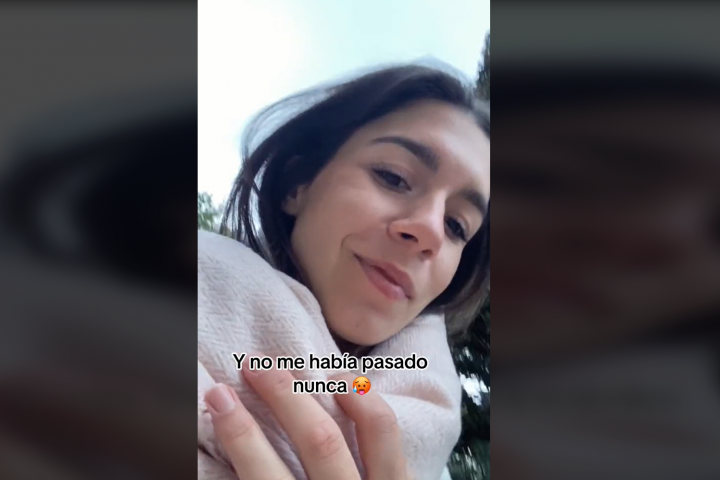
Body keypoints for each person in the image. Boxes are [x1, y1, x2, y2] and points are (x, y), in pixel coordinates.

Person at [197, 64, 490, 480]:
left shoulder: (430, 459)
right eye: (394, 177)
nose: (430, 231)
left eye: (456, 225)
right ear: (298, 184)